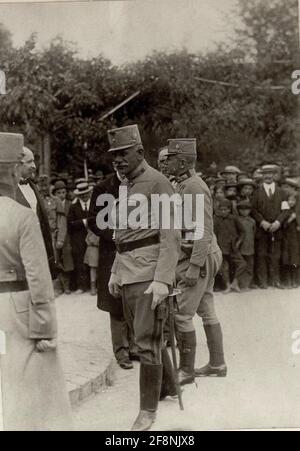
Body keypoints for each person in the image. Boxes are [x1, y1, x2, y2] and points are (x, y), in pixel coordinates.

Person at [108, 124, 180, 431]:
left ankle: (147, 412)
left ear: (140, 151)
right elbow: (123, 233)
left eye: (124, 153)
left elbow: (171, 234)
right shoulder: (126, 184)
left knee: (147, 340)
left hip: (149, 272)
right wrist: (114, 270)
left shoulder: (158, 182)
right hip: (127, 270)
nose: (118, 160)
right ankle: (169, 386)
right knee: (143, 334)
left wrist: (163, 280)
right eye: (114, 156)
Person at [0, 132, 71, 431]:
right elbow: (39, 278)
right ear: (14, 170)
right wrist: (45, 327)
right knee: (31, 394)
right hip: (18, 310)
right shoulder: (21, 216)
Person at [164, 138, 227, 382]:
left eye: (170, 158)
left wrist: (194, 266)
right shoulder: (184, 184)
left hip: (199, 256)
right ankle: (218, 364)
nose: (166, 162)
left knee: (182, 314)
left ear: (182, 161)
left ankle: (186, 371)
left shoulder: (193, 186)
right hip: (204, 253)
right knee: (206, 308)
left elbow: (202, 229)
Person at [88, 169, 138, 370]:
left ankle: (135, 347)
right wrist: (115, 235)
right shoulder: (103, 188)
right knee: (115, 300)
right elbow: (94, 221)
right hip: (112, 251)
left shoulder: (140, 184)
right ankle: (122, 351)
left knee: (134, 297)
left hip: (137, 249)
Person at [16, 147, 57, 279]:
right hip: (20, 251)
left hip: (39, 247)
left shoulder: (33, 187)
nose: (34, 166)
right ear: (18, 163)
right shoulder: (8, 190)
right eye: (30, 162)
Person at [251, 164, 290, 289]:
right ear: (262, 175)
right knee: (262, 254)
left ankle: (275, 280)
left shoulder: (282, 192)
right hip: (262, 229)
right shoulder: (256, 192)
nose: (268, 176)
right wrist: (262, 222)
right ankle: (263, 281)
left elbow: (285, 210)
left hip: (276, 229)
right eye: (265, 173)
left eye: (271, 173)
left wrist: (278, 222)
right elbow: (253, 210)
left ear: (275, 175)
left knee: (276, 255)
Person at [214, 198, 247, 294]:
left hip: (232, 247)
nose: (224, 212)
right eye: (222, 209)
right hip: (221, 247)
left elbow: (243, 232)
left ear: (229, 210)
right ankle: (227, 286)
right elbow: (213, 232)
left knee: (242, 264)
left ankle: (235, 283)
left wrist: (238, 242)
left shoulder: (234, 218)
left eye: (226, 209)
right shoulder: (216, 219)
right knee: (224, 268)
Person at [37, 175, 67, 275]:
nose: (44, 188)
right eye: (41, 186)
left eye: (46, 185)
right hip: (37, 235)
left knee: (55, 261)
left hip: (52, 235)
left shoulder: (56, 200)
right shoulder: (35, 201)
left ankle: (58, 286)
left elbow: (61, 221)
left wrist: (60, 239)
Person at [68, 181, 92, 294]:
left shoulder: (95, 205)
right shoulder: (73, 207)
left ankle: (94, 285)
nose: (84, 196)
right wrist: (84, 222)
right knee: (80, 261)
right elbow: (70, 223)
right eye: (82, 195)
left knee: (94, 261)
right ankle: (82, 286)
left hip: (94, 238)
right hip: (79, 238)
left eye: (86, 194)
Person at [52, 180, 74, 294]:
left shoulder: (70, 204)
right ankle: (59, 285)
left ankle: (68, 286)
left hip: (67, 237)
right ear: (55, 194)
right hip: (55, 235)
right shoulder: (52, 203)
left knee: (67, 260)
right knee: (57, 260)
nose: (61, 195)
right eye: (59, 193)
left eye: (63, 192)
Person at [236, 200, 256, 290]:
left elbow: (254, 232)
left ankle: (247, 284)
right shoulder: (237, 220)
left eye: (247, 209)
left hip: (250, 246)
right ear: (239, 210)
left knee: (249, 266)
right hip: (240, 247)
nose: (244, 211)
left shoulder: (252, 221)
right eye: (242, 209)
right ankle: (240, 284)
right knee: (241, 266)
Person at [282, 195, 299, 289]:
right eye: (290, 200)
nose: (291, 202)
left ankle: (295, 281)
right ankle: (287, 281)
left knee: (295, 260)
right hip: (287, 239)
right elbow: (283, 225)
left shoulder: (297, 212)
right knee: (286, 260)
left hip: (295, 239)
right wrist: (290, 219)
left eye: (293, 200)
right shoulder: (285, 212)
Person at [84, 229, 100, 295]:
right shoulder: (93, 229)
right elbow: (88, 240)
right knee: (93, 269)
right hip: (93, 249)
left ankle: (98, 286)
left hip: (98, 249)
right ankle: (93, 287)